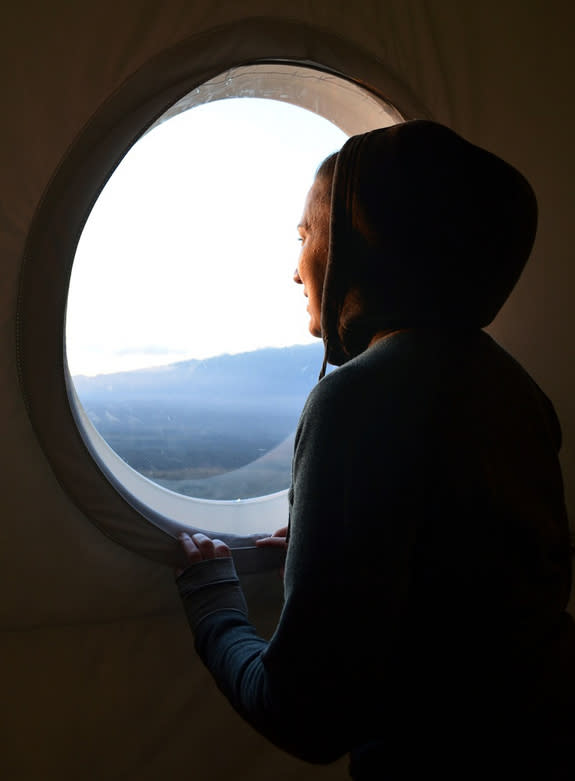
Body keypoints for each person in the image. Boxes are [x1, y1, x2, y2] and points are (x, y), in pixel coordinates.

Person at [175, 121, 575, 779]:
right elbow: (457, 588)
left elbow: (303, 715)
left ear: (358, 247)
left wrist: (211, 601)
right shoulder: (511, 387)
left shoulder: (357, 400)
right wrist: (325, 557)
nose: (293, 266)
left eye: (306, 236)